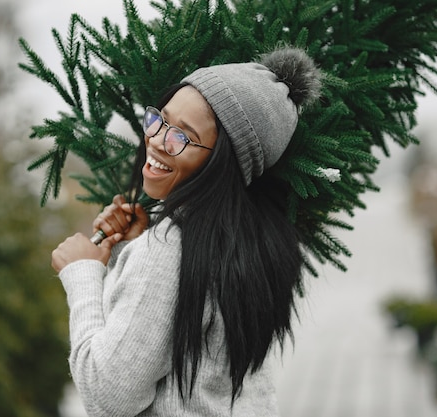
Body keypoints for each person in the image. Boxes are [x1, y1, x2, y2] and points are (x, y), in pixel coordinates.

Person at [51, 47, 322, 416]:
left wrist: (82, 275)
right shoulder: (253, 241)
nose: (159, 140)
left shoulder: (170, 248)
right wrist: (126, 253)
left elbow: (109, 394)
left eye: (183, 136)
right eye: (159, 120)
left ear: (225, 161)